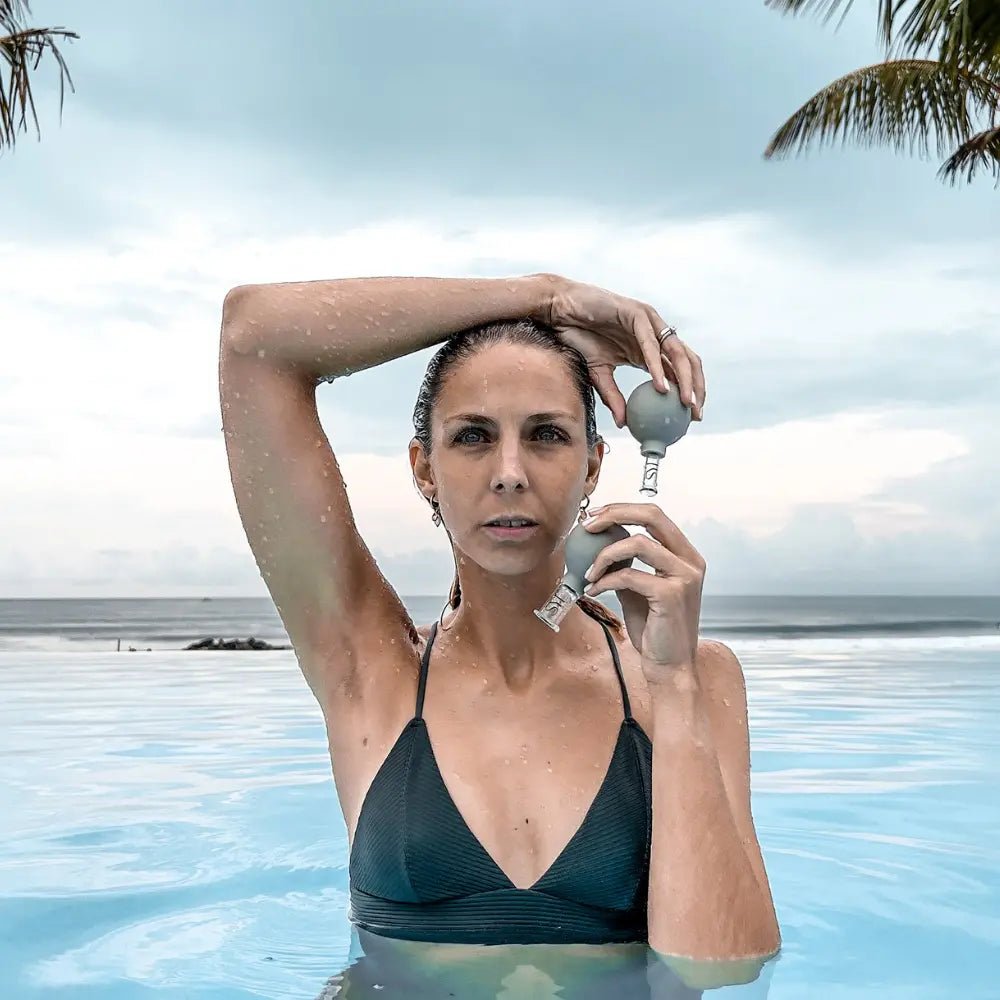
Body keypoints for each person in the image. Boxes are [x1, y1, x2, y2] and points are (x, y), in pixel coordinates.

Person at [218, 273, 780, 995]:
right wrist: (544, 297)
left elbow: (721, 966)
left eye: (546, 435)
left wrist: (672, 691)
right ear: (425, 468)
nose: (510, 473)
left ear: (593, 466)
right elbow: (252, 339)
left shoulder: (696, 676)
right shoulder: (370, 670)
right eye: (474, 436)